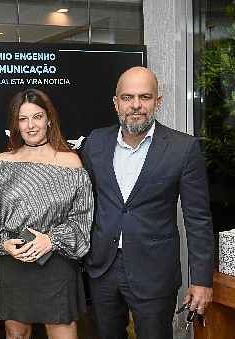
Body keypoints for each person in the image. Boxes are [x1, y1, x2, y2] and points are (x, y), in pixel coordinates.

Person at [81, 66, 214, 339]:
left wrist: (201, 280)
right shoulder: (95, 142)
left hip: (154, 272)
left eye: (145, 97)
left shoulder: (183, 148)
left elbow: (198, 219)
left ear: (157, 101)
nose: (136, 105)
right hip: (102, 268)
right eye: (128, 97)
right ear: (116, 103)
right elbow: (83, 203)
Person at [0, 88, 93, 339]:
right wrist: (3, 242)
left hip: (56, 265)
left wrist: (51, 240)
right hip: (12, 262)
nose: (30, 125)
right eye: (23, 119)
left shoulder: (72, 163)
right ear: (15, 124)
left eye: (36, 117)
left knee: (62, 332)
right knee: (16, 334)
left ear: (49, 119)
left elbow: (82, 219)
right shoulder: (1, 162)